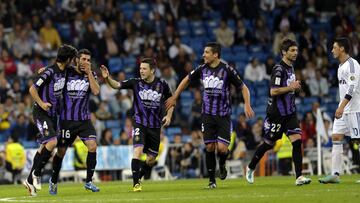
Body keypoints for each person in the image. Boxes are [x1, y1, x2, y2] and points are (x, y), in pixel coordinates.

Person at [165, 42, 255, 189]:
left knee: (222, 149)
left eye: (206, 52)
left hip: (223, 115)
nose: (203, 55)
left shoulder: (227, 70)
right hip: (207, 115)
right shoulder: (202, 69)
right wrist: (175, 96)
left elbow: (243, 87)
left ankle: (222, 163)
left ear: (215, 55)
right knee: (209, 147)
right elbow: (186, 80)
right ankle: (212, 181)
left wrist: (247, 104)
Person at [100, 58, 174, 192]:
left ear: (152, 70)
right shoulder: (135, 82)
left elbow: (171, 100)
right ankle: (136, 184)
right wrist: (107, 78)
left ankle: (139, 176)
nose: (141, 71)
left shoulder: (162, 84)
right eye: (140, 68)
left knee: (151, 159)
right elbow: (117, 85)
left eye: (144, 69)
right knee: (137, 150)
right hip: (139, 123)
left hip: (155, 126)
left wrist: (168, 116)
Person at [245, 39, 312, 186]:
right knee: (268, 143)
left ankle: (299, 177)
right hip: (277, 114)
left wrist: (295, 88)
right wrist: (291, 87)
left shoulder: (291, 68)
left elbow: (289, 88)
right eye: (292, 50)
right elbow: (273, 91)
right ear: (283, 52)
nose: (296, 53)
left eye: (296, 50)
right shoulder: (279, 69)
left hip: (290, 113)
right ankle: (250, 167)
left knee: (297, 141)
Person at [23, 44, 77, 196]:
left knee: (44, 147)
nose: (72, 62)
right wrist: (41, 103)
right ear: (67, 59)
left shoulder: (63, 70)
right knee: (52, 142)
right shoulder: (49, 72)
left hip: (53, 115)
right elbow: (32, 89)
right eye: (72, 59)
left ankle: (29, 181)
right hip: (41, 112)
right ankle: (37, 173)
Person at [48, 49, 100, 195]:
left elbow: (96, 92)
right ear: (77, 59)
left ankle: (89, 182)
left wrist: (89, 73)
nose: (86, 62)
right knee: (61, 152)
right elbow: (54, 70)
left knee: (93, 146)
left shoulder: (91, 75)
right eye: (83, 59)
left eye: (88, 60)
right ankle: (53, 180)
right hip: (66, 120)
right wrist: (44, 71)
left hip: (84, 120)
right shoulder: (67, 71)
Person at [319, 37, 360, 184]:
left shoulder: (352, 64)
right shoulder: (340, 67)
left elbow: (352, 87)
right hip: (343, 110)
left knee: (358, 141)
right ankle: (335, 174)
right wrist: (341, 107)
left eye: (334, 47)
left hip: (354, 109)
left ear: (342, 48)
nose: (332, 50)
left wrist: (341, 106)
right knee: (336, 137)